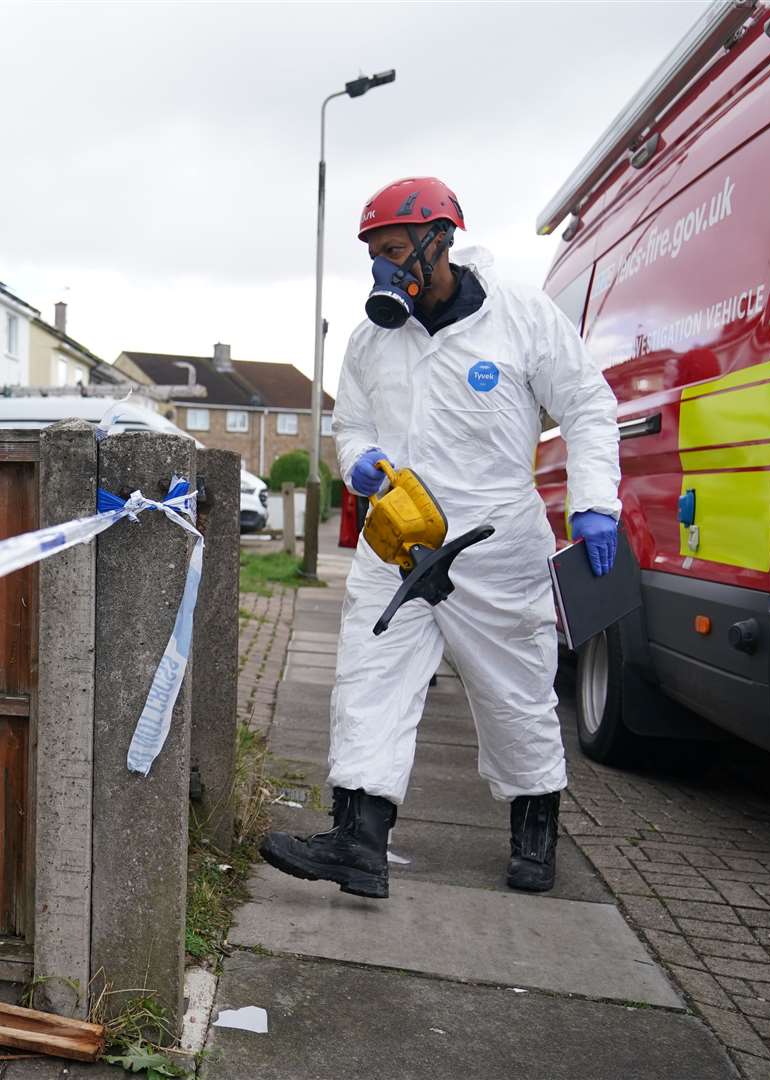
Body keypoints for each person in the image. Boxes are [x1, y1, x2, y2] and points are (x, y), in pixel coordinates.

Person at [260, 177, 620, 899]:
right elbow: (351, 424)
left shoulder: (519, 316)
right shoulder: (370, 340)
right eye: (373, 255)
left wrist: (594, 504)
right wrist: (356, 463)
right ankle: (357, 843)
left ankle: (533, 832)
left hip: (496, 541)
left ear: (439, 239)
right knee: (369, 679)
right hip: (398, 538)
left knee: (513, 690)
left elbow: (586, 405)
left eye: (393, 250)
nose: (382, 270)